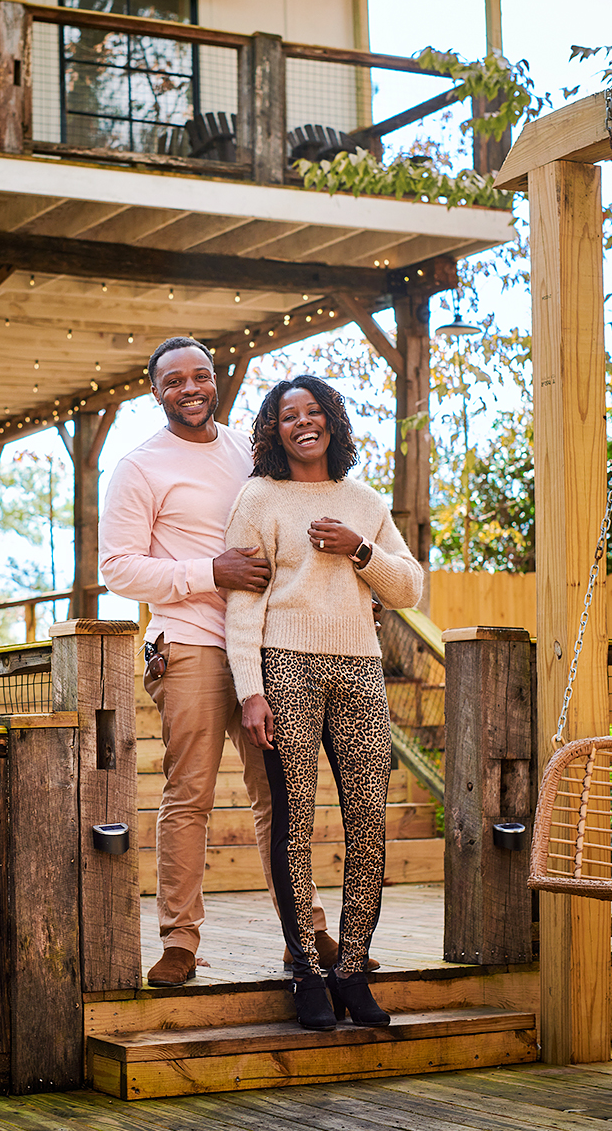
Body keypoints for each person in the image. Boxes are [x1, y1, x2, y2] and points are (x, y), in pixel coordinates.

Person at [98, 337, 340, 988]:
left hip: (266, 648)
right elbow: (116, 567)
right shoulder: (139, 466)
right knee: (190, 797)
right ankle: (180, 941)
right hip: (192, 646)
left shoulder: (251, 451)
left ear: (216, 381)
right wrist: (212, 571)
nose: (191, 387)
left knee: (279, 799)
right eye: (174, 380)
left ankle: (307, 937)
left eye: (201, 375)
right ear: (157, 392)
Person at [225, 374, 423, 1031]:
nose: (303, 422)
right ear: (274, 430)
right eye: (289, 415)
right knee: (296, 822)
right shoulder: (259, 496)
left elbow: (409, 589)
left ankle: (351, 971)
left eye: (314, 412)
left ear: (332, 422)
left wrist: (359, 549)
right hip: (287, 668)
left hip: (360, 672)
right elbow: (244, 600)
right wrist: (250, 690)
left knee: (369, 822)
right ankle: (306, 972)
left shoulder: (362, 501)